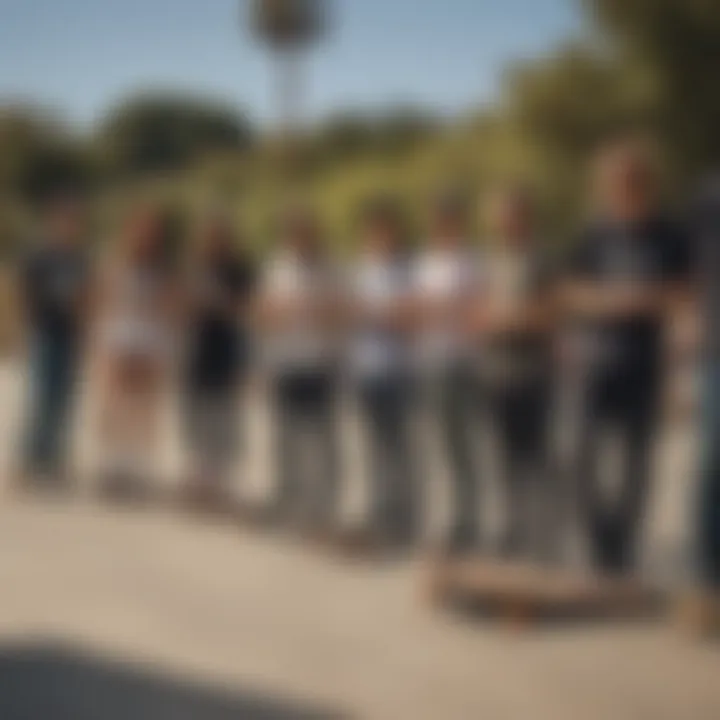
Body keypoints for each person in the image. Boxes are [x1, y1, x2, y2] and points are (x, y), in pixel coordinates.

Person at [562, 138, 694, 575]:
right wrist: (615, 299)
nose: (621, 186)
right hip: (594, 363)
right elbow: (569, 292)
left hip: (646, 364)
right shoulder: (593, 233)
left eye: (630, 179)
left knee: (638, 467)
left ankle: (623, 548)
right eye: (613, 180)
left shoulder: (670, 235)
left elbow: (685, 298)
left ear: (645, 182)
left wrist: (679, 378)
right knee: (579, 454)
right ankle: (600, 540)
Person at [472, 185, 557, 560]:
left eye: (509, 215)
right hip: (496, 372)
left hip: (533, 373)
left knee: (535, 459)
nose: (502, 222)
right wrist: (494, 320)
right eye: (497, 216)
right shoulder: (492, 260)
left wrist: (503, 320)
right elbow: (476, 315)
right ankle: (511, 531)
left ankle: (542, 538)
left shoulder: (542, 259)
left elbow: (549, 314)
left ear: (525, 217)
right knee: (502, 459)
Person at [257, 206, 342, 534]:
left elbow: (342, 313)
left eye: (304, 231)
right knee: (285, 436)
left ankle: (323, 505)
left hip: (318, 362)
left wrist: (315, 310)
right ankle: (287, 498)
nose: (298, 238)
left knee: (321, 438)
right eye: (292, 232)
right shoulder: (277, 267)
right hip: (284, 361)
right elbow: (263, 313)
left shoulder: (330, 268)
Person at [93, 206, 180, 500]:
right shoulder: (115, 263)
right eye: (140, 230)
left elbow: (172, 308)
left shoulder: (165, 269)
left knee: (144, 408)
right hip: (118, 340)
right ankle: (112, 465)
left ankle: (138, 467)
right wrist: (99, 346)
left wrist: (166, 347)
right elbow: (102, 302)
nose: (145, 237)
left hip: (150, 343)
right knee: (115, 405)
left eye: (151, 232)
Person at [413, 190, 482, 552]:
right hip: (432, 361)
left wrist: (443, 309)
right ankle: (454, 519)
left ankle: (470, 519)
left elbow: (474, 308)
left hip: (463, 362)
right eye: (437, 218)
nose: (441, 225)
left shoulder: (472, 261)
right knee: (443, 445)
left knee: (466, 445)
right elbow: (419, 310)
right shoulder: (428, 262)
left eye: (448, 218)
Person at [349, 196, 419, 549]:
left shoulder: (408, 269)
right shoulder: (359, 270)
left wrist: (381, 316)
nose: (378, 237)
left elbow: (413, 317)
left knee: (400, 445)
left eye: (385, 231)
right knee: (373, 444)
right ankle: (380, 510)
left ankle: (406, 515)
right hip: (366, 367)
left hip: (399, 369)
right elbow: (346, 314)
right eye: (372, 232)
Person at [182, 211, 257, 509]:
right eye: (208, 236)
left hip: (228, 348)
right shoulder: (193, 268)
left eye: (219, 235)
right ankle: (200, 479)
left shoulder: (240, 270)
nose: (213, 241)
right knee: (197, 414)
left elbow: (248, 310)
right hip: (196, 348)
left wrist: (220, 302)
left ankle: (221, 481)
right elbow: (180, 306)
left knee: (224, 416)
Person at [17, 189, 92, 491]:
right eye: (64, 219)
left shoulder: (80, 259)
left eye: (74, 220)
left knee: (64, 400)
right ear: (52, 221)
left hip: (71, 335)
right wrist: (27, 330)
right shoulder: (39, 257)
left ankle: (53, 461)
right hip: (45, 334)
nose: (69, 225)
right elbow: (26, 297)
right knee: (40, 399)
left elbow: (88, 298)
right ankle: (29, 461)